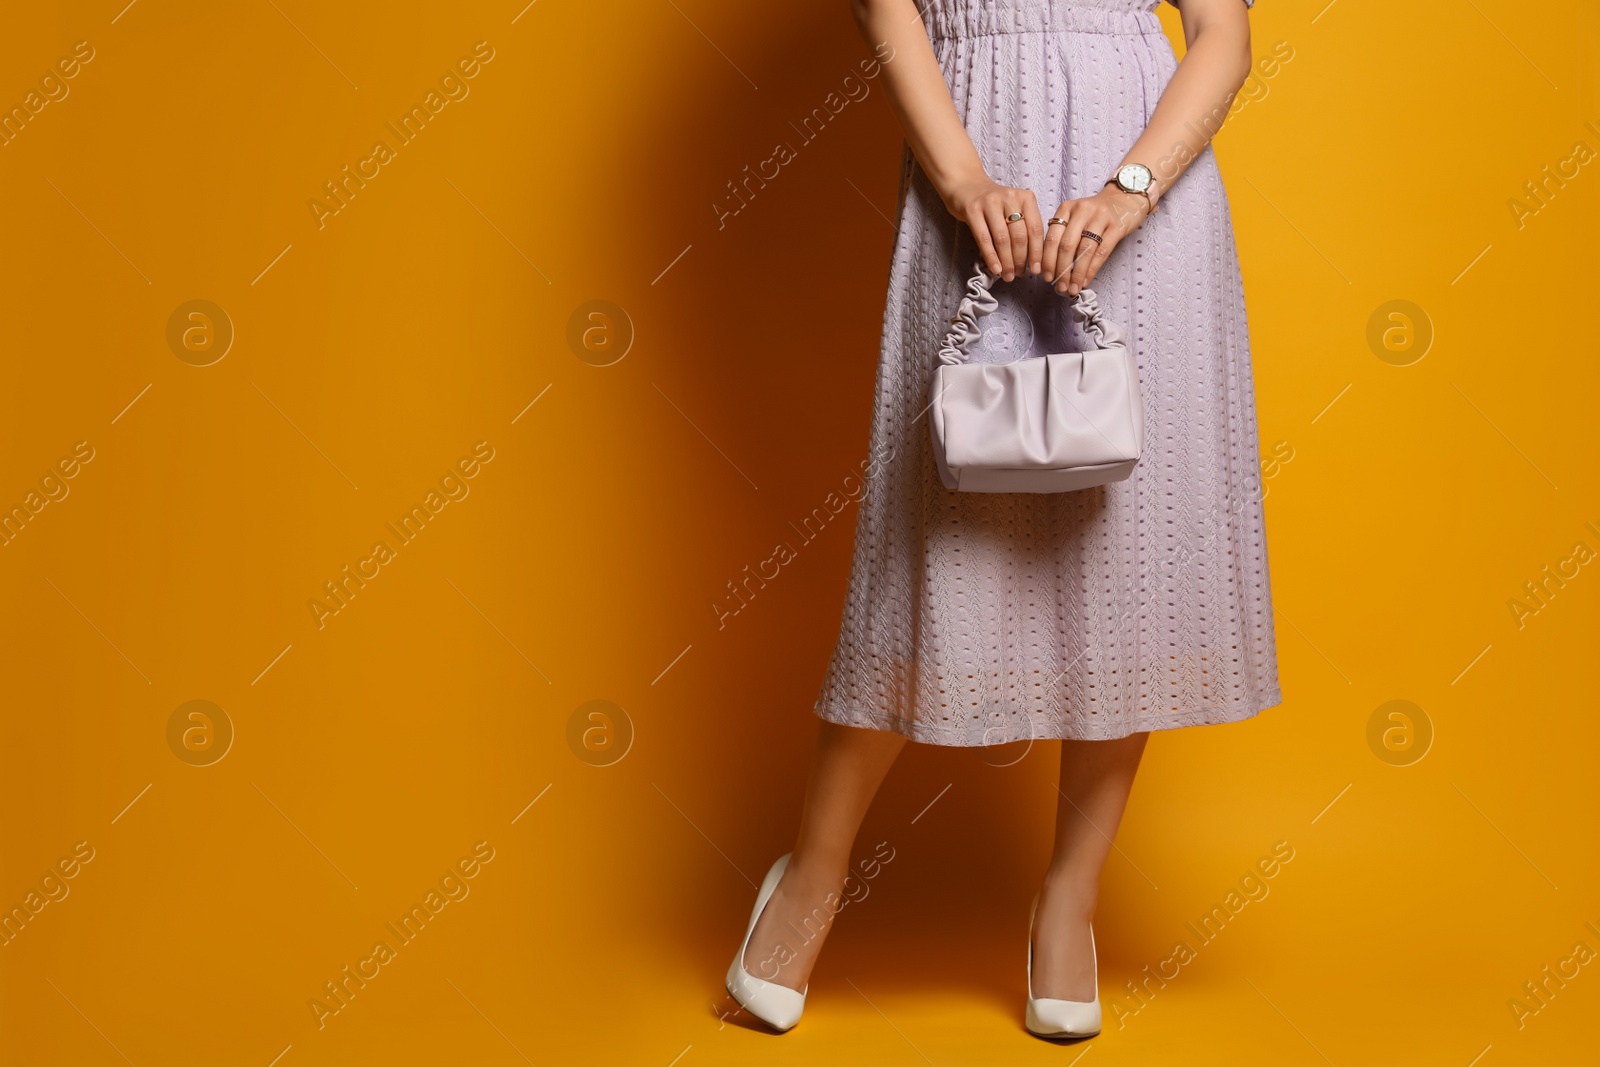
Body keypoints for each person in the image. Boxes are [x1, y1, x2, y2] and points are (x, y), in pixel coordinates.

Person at [726, 0, 1280, 1039]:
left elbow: (1222, 34)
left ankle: (1069, 897)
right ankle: (814, 871)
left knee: (1130, 553)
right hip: (974, 182)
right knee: (924, 551)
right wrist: (961, 178)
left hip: (1141, 199)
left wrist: (1128, 192)